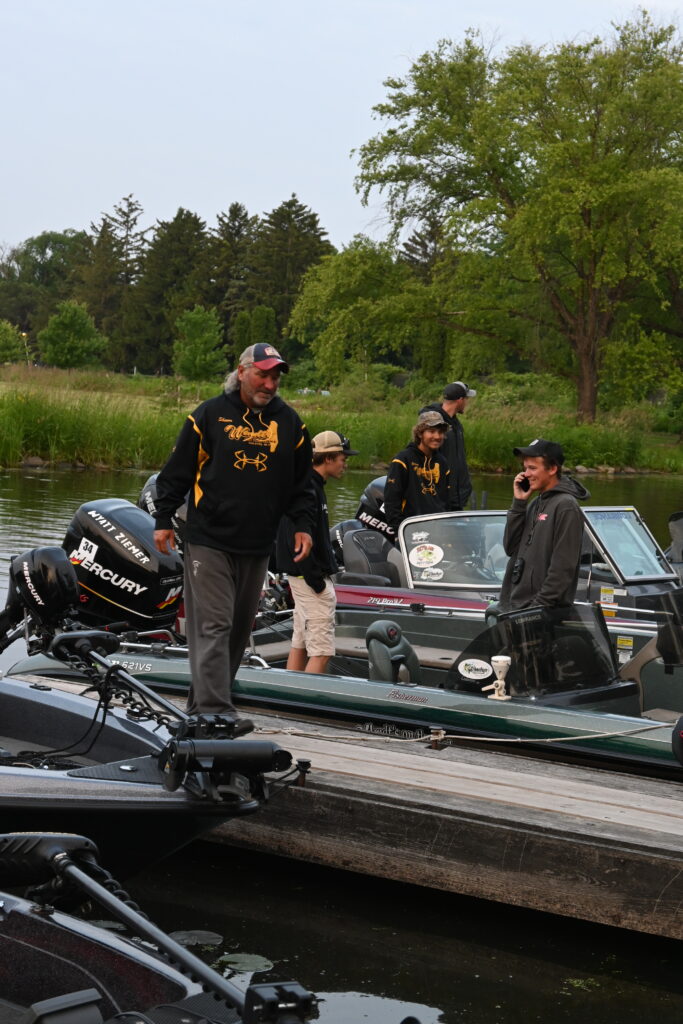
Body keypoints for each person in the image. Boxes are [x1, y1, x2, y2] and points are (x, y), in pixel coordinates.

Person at [153, 343, 314, 726]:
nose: (269, 384)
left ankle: (202, 710)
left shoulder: (290, 423)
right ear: (242, 372)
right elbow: (176, 471)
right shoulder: (208, 415)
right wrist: (162, 518)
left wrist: (303, 524)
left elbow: (302, 483)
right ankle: (216, 711)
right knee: (215, 623)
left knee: (238, 631)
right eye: (262, 374)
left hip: (257, 543)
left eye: (275, 377)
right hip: (208, 538)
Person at [277, 430, 358, 674]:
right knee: (321, 653)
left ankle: (290, 691)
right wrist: (318, 583)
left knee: (300, 643)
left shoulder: (309, 485)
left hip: (302, 579)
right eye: (343, 458)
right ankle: (305, 696)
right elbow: (296, 540)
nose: (345, 464)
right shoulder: (308, 489)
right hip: (309, 581)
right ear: (329, 458)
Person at [499, 438, 589, 611]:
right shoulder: (535, 502)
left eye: (532, 468)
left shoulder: (566, 507)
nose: (526, 474)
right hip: (517, 607)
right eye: (525, 468)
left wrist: (536, 609)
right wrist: (519, 504)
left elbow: (563, 569)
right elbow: (510, 548)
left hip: (540, 612)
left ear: (553, 469)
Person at [384, 410, 450, 535]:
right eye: (431, 431)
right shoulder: (403, 460)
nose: (437, 436)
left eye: (441, 432)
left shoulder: (443, 463)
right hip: (410, 532)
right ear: (420, 433)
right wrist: (400, 532)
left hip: (438, 531)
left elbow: (447, 501)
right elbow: (391, 501)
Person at [420, 380, 476, 510]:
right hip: (439, 499)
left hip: (456, 499)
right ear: (460, 400)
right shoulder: (433, 424)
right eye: (466, 399)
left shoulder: (456, 424)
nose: (467, 403)